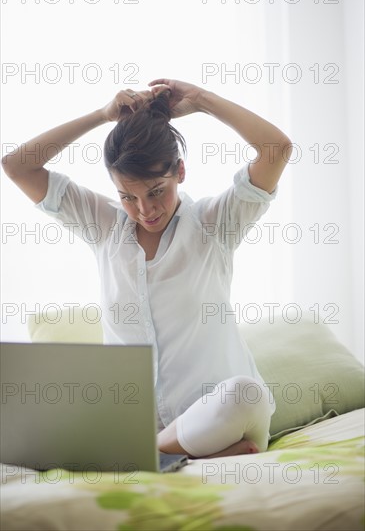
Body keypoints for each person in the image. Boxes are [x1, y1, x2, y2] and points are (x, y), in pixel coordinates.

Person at [2, 78, 292, 458]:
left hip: (221, 420)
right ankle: (165, 454)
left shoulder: (214, 224)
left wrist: (203, 101)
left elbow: (277, 149)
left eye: (157, 191)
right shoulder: (103, 227)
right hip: (131, 421)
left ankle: (138, 452)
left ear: (180, 172)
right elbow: (17, 165)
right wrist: (101, 115)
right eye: (128, 197)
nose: (145, 210)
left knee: (246, 394)